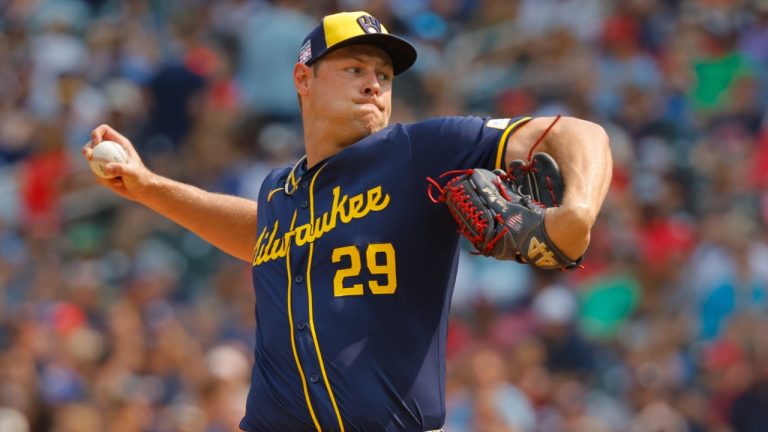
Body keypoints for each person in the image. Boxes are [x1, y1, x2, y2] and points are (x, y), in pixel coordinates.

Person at [83, 10, 612, 432]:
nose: (373, 85)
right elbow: (263, 236)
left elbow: (581, 134)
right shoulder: (279, 190)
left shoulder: (423, 150)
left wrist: (577, 212)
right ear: (303, 78)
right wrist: (150, 187)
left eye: (383, 75)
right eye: (354, 69)